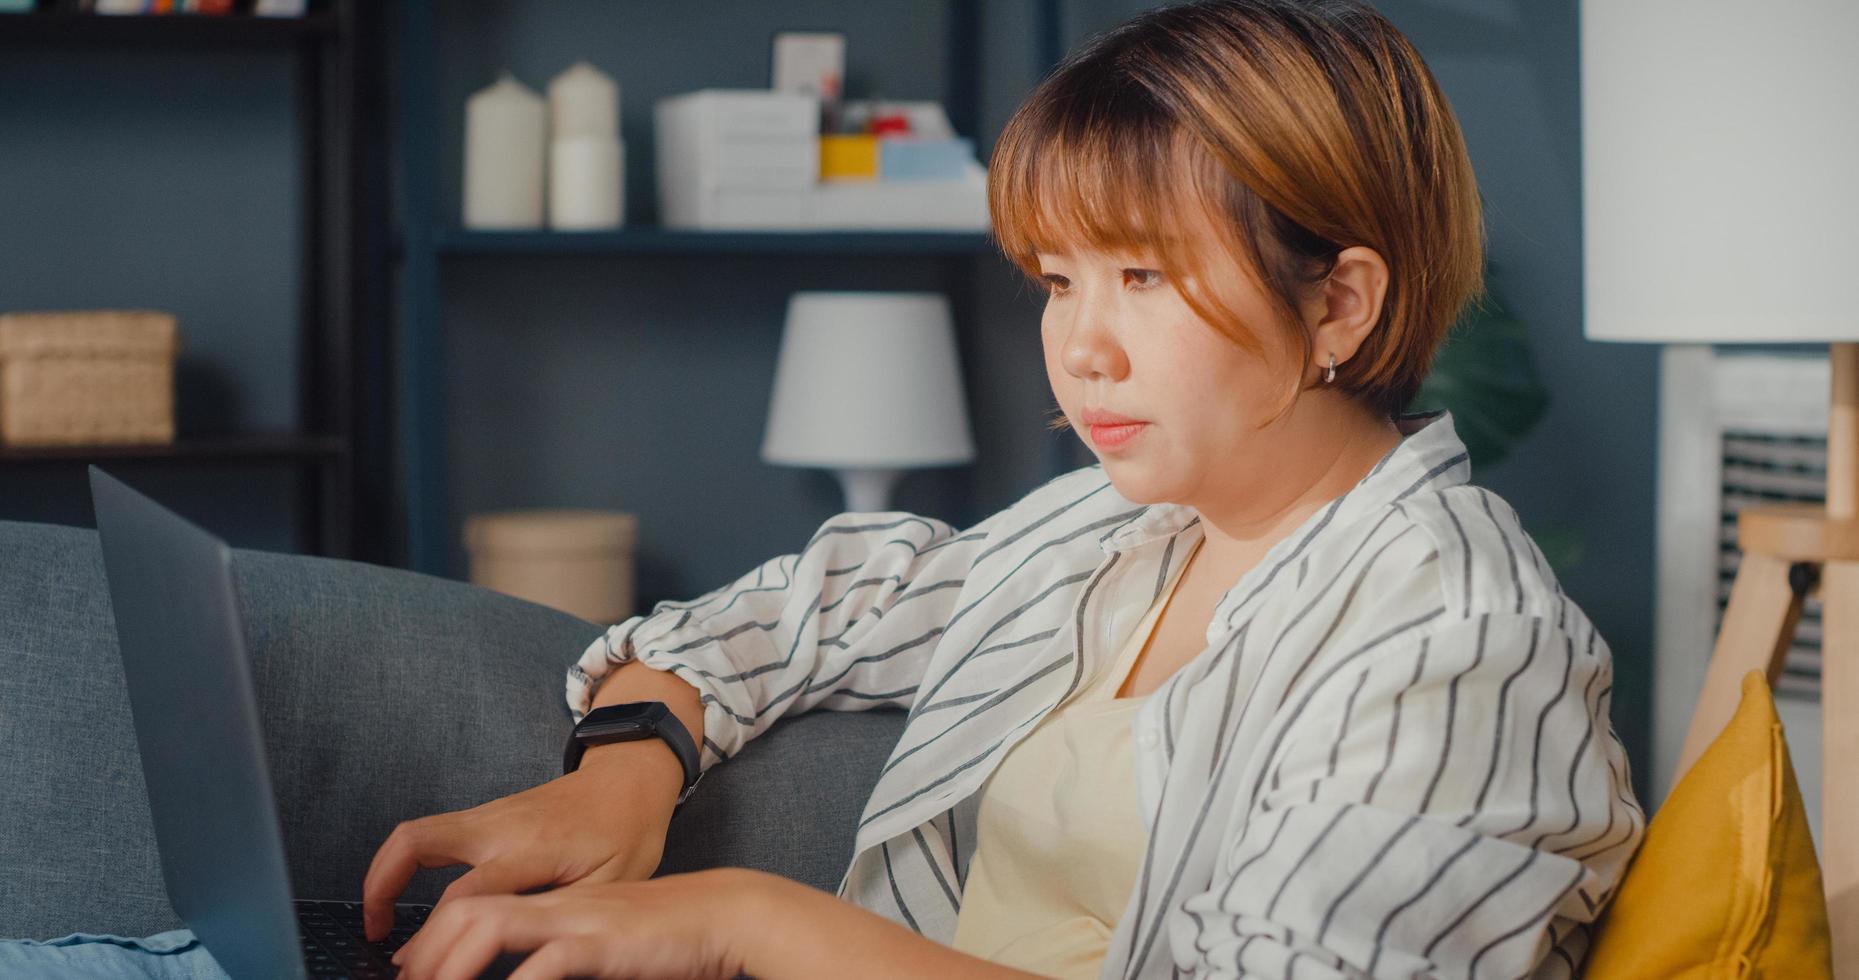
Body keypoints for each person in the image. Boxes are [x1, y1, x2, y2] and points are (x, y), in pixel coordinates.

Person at [371, 2, 1647, 978]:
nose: (1079, 344)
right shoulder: (1127, 524)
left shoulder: (1462, 644)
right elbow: (821, 602)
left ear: (1340, 301)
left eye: (1142, 275)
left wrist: (744, 919)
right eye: (1055, 278)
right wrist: (620, 770)